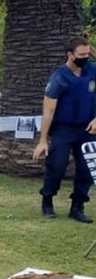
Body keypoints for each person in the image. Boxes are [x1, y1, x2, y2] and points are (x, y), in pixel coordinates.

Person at [34, 35, 96, 222]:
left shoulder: (92, 70)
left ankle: (77, 207)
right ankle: (47, 200)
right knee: (57, 166)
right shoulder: (59, 77)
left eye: (88, 53)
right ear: (70, 55)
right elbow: (48, 111)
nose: (85, 58)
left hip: (88, 128)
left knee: (86, 169)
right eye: (81, 54)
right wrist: (43, 140)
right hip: (63, 129)